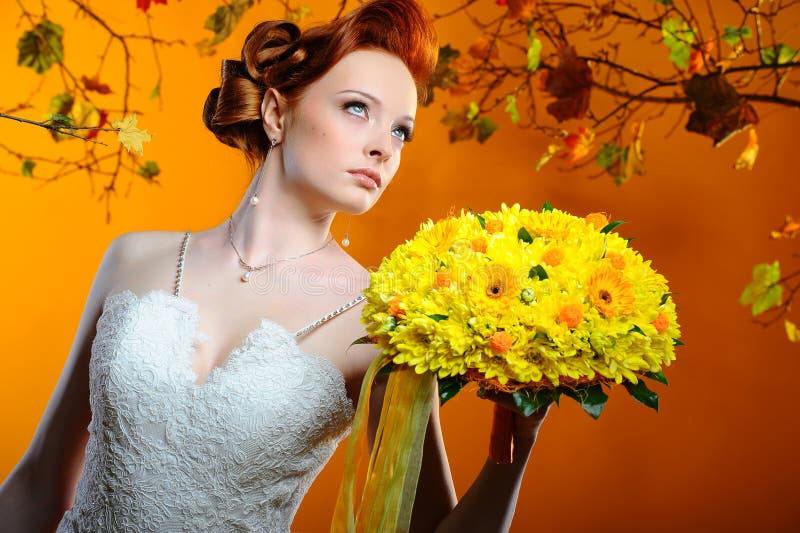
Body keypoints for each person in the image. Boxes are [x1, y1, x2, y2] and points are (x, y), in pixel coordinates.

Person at [0, 0, 551, 531]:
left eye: (401, 130)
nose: (385, 146)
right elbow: (38, 486)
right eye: (358, 107)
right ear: (276, 112)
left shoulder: (389, 324)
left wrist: (515, 442)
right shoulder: (133, 259)